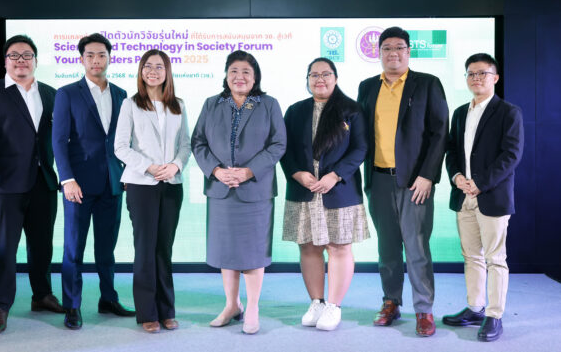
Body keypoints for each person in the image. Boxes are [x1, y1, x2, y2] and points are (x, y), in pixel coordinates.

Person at [0, 35, 64, 334]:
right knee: (4, 248)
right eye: (14, 55)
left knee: (42, 245)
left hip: (44, 182)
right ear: (6, 61)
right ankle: (0, 305)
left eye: (27, 55)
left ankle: (42, 295)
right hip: (4, 184)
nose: (21, 60)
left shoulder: (50, 93)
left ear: (36, 60)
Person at [357, 26, 448, 337]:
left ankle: (424, 309)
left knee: (417, 247)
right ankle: (391, 302)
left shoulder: (427, 84)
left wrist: (427, 175)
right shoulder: (367, 87)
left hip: (415, 183)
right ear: (379, 53)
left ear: (409, 51)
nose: (392, 53)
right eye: (386, 48)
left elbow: (440, 132)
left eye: (399, 47)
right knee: (387, 248)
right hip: (379, 180)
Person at [191, 50, 286, 335]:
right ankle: (232, 305)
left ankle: (252, 308)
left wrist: (248, 171)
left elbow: (278, 144)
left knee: (253, 252)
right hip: (221, 190)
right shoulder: (211, 104)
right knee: (226, 251)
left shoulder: (268, 104)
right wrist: (216, 171)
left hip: (255, 190)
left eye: (246, 71)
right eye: (233, 71)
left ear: (255, 77)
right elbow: (198, 142)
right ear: (226, 75)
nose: (239, 76)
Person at [52, 32, 134, 330]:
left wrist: (128, 173)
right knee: (74, 249)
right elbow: (58, 141)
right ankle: (72, 305)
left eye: (101, 55)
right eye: (90, 55)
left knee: (106, 249)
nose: (96, 60)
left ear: (109, 58)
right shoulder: (67, 93)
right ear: (81, 59)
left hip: (113, 183)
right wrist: (67, 179)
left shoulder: (121, 94)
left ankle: (108, 299)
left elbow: (125, 140)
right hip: (78, 185)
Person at [281, 58, 370, 331]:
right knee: (308, 246)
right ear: (307, 80)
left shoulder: (351, 110)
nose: (320, 79)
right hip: (304, 189)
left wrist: (335, 175)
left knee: (339, 247)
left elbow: (360, 148)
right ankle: (317, 302)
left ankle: (334, 306)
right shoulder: (295, 111)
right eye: (314, 75)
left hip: (339, 190)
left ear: (336, 78)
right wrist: (297, 173)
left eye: (326, 74)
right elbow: (284, 149)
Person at [443, 53, 524, 342]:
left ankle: (494, 315)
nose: (476, 78)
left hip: (492, 195)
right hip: (463, 194)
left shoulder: (509, 112)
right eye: (471, 73)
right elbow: (451, 151)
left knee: (495, 258)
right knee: (471, 256)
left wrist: (480, 183)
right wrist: (456, 177)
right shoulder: (459, 113)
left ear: (495, 78)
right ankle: (475, 308)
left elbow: (511, 155)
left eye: (482, 73)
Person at [114, 49, 191, 333]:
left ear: (167, 71)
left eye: (159, 67)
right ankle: (147, 312)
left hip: (171, 184)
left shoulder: (178, 105)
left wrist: (175, 165)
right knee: (145, 249)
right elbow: (120, 147)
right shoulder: (130, 104)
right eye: (148, 66)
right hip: (141, 184)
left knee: (164, 249)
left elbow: (186, 144)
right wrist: (149, 167)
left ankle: (167, 310)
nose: (153, 71)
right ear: (141, 71)